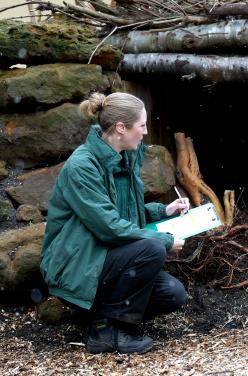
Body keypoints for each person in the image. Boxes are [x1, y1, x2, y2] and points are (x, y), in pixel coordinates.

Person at [40, 92, 190, 354]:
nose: (145, 132)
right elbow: (109, 227)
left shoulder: (123, 157)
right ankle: (104, 333)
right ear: (121, 128)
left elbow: (122, 214)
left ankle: (97, 315)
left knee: (172, 294)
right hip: (76, 264)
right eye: (141, 125)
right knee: (153, 249)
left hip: (102, 258)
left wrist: (163, 210)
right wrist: (164, 240)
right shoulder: (83, 166)